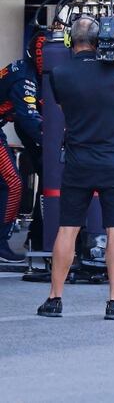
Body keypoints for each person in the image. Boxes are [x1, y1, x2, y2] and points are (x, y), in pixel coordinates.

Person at [37, 15, 114, 320]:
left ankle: (54, 299)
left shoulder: (59, 73)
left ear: (72, 42)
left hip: (77, 161)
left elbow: (64, 108)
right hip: (113, 162)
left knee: (67, 228)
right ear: (99, 42)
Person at [0, 46, 44, 262]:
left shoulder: (27, 71)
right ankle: (0, 245)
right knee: (13, 184)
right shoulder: (24, 78)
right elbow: (28, 120)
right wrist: (54, 142)